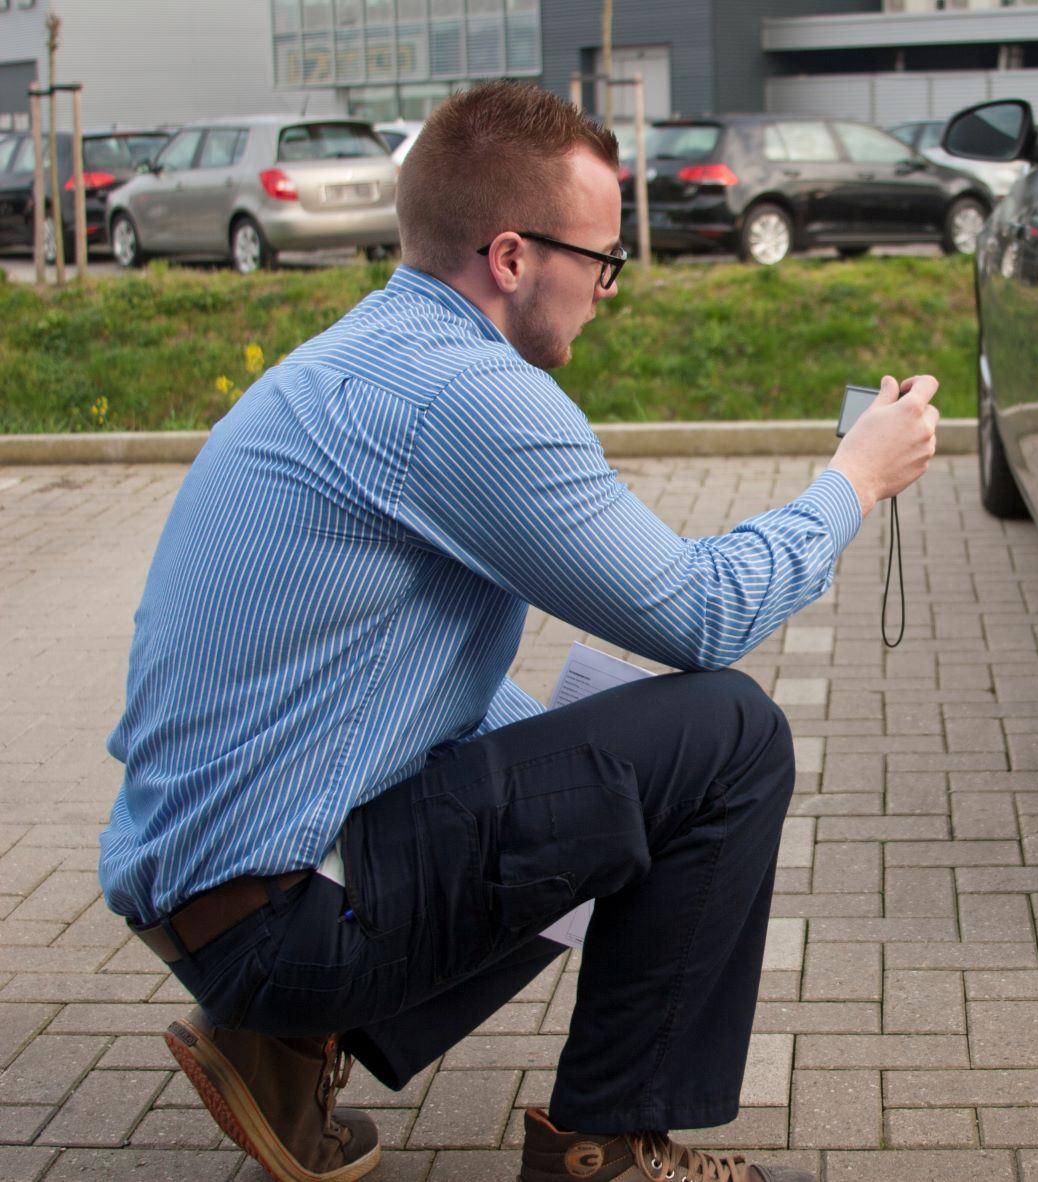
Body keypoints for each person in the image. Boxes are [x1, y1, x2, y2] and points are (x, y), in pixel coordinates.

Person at [99, 80, 939, 1182]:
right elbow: (703, 614)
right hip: (278, 921)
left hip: (214, 902)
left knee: (592, 769)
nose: (606, 289)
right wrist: (853, 481)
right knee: (728, 735)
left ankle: (284, 1049)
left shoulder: (359, 359)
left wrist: (587, 792)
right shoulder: (467, 398)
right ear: (509, 257)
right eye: (599, 260)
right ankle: (609, 1147)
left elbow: (421, 687)